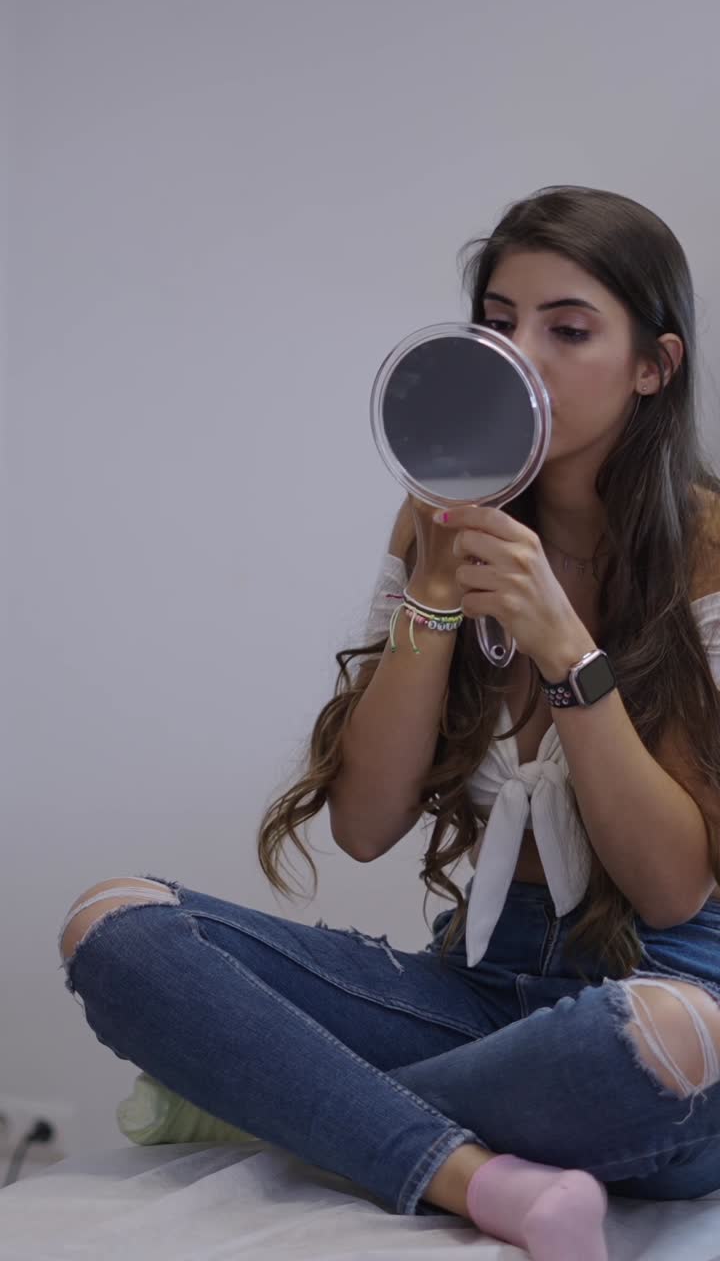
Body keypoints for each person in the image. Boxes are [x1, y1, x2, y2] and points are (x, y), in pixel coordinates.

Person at [58, 186, 720, 1261]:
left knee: (659, 1041)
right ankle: (466, 1168)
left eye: (568, 327)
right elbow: (365, 820)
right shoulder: (439, 508)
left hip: (666, 985)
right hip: (481, 987)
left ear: (654, 364)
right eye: (498, 321)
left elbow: (673, 885)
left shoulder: (707, 547)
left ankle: (291, 1099)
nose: (521, 353)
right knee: (116, 924)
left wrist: (562, 646)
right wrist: (434, 594)